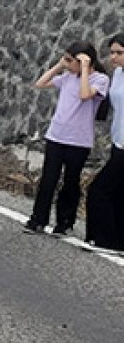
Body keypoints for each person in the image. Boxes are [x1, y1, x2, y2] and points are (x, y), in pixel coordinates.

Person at [24, 41, 109, 235]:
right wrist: (59, 66)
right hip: (56, 136)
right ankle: (38, 219)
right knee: (48, 179)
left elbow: (85, 95)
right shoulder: (67, 77)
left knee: (71, 181)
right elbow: (40, 83)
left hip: (78, 140)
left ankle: (65, 222)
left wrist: (85, 69)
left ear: (84, 60)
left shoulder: (100, 79)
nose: (68, 63)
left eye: (71, 60)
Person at [86, 34, 124, 252]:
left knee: (100, 190)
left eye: (119, 53)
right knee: (118, 193)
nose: (114, 57)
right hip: (118, 140)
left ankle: (105, 240)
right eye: (112, 52)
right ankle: (118, 241)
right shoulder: (117, 74)